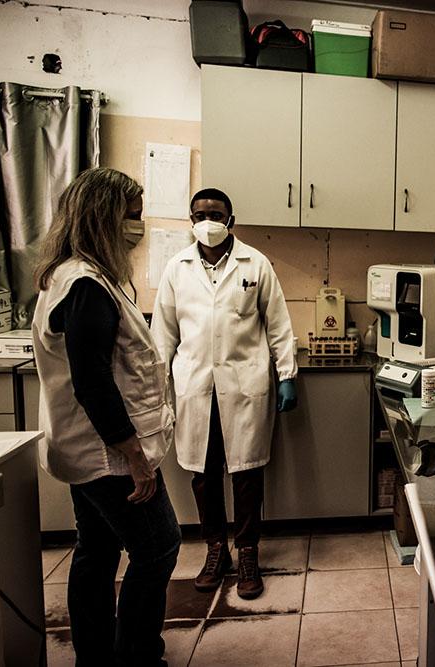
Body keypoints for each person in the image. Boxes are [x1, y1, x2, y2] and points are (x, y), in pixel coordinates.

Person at [33, 167, 181, 666]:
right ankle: (138, 654)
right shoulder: (87, 286)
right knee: (159, 546)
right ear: (105, 217)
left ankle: (95, 655)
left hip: (84, 448)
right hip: (108, 455)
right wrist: (135, 458)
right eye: (132, 217)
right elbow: (93, 383)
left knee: (95, 548)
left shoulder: (73, 275)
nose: (137, 228)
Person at [151, 188, 297, 600]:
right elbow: (162, 334)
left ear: (231, 220)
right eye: (200, 214)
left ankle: (247, 551)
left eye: (216, 214)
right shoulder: (176, 268)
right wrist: (156, 388)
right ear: (191, 219)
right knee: (203, 474)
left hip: (244, 383)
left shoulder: (257, 263)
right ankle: (217, 550)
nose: (208, 221)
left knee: (248, 474)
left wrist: (287, 373)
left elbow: (278, 323)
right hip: (195, 387)